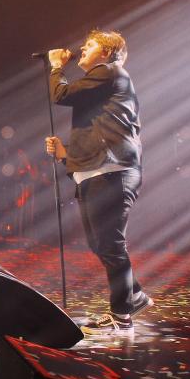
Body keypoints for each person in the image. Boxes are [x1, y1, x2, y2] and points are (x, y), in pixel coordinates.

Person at [45, 29, 153, 332]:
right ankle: (134, 295)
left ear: (106, 52)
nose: (82, 48)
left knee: (110, 244)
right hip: (98, 171)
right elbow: (94, 133)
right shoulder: (99, 85)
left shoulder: (108, 72)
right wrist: (65, 155)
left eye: (90, 44)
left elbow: (60, 94)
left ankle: (123, 316)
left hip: (114, 172)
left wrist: (56, 66)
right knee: (100, 243)